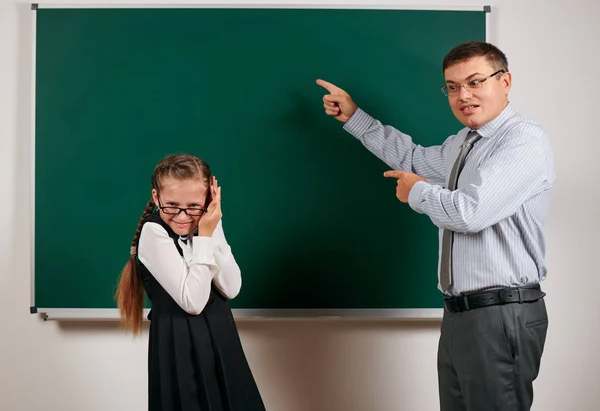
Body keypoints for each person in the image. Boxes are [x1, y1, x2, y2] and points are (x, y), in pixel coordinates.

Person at [317, 41, 554, 411]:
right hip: (462, 314)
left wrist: (418, 193)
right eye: (453, 86)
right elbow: (414, 159)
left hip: (501, 313)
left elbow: (470, 213)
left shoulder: (522, 139)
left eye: (475, 82)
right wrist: (355, 118)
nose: (464, 95)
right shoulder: (465, 142)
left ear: (505, 81)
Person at [116, 154, 265, 411]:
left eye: (194, 206)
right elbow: (193, 302)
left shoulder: (206, 223)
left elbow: (231, 287)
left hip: (221, 334)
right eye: (171, 205)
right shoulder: (154, 232)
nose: (183, 216)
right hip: (179, 343)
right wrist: (205, 236)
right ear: (156, 197)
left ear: (209, 201)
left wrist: (212, 229)